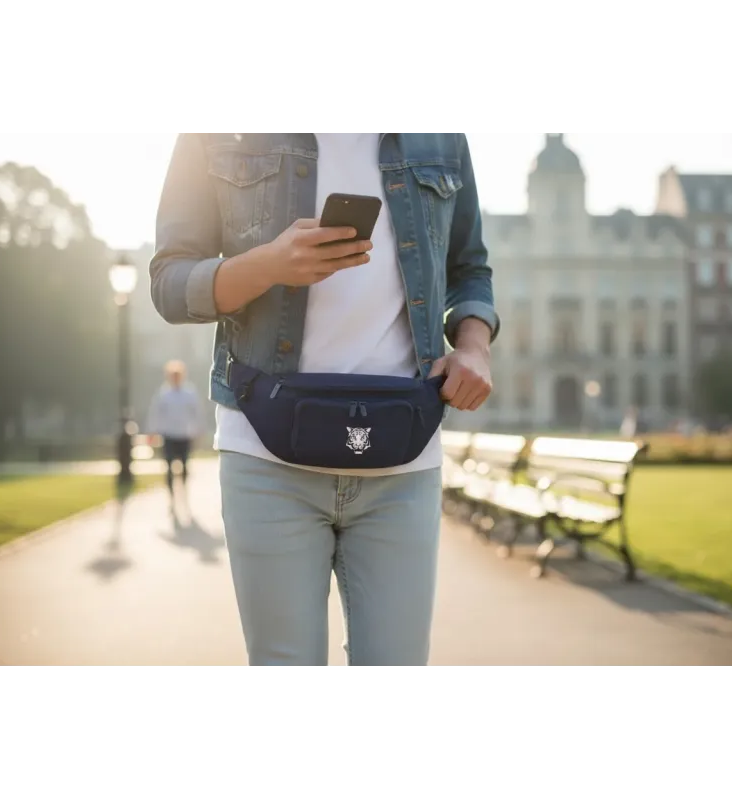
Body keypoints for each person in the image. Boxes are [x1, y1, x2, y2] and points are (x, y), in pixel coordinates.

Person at [150, 129, 498, 671]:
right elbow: (170, 283)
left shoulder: (438, 130)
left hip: (403, 458)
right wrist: (268, 265)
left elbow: (469, 269)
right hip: (266, 453)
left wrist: (474, 347)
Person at [146, 360, 203, 499]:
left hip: (184, 434)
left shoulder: (190, 393)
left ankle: (183, 488)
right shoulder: (163, 394)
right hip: (168, 434)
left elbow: (197, 412)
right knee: (169, 465)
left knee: (184, 463)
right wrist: (152, 432)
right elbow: (155, 414)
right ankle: (171, 493)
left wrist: (199, 430)